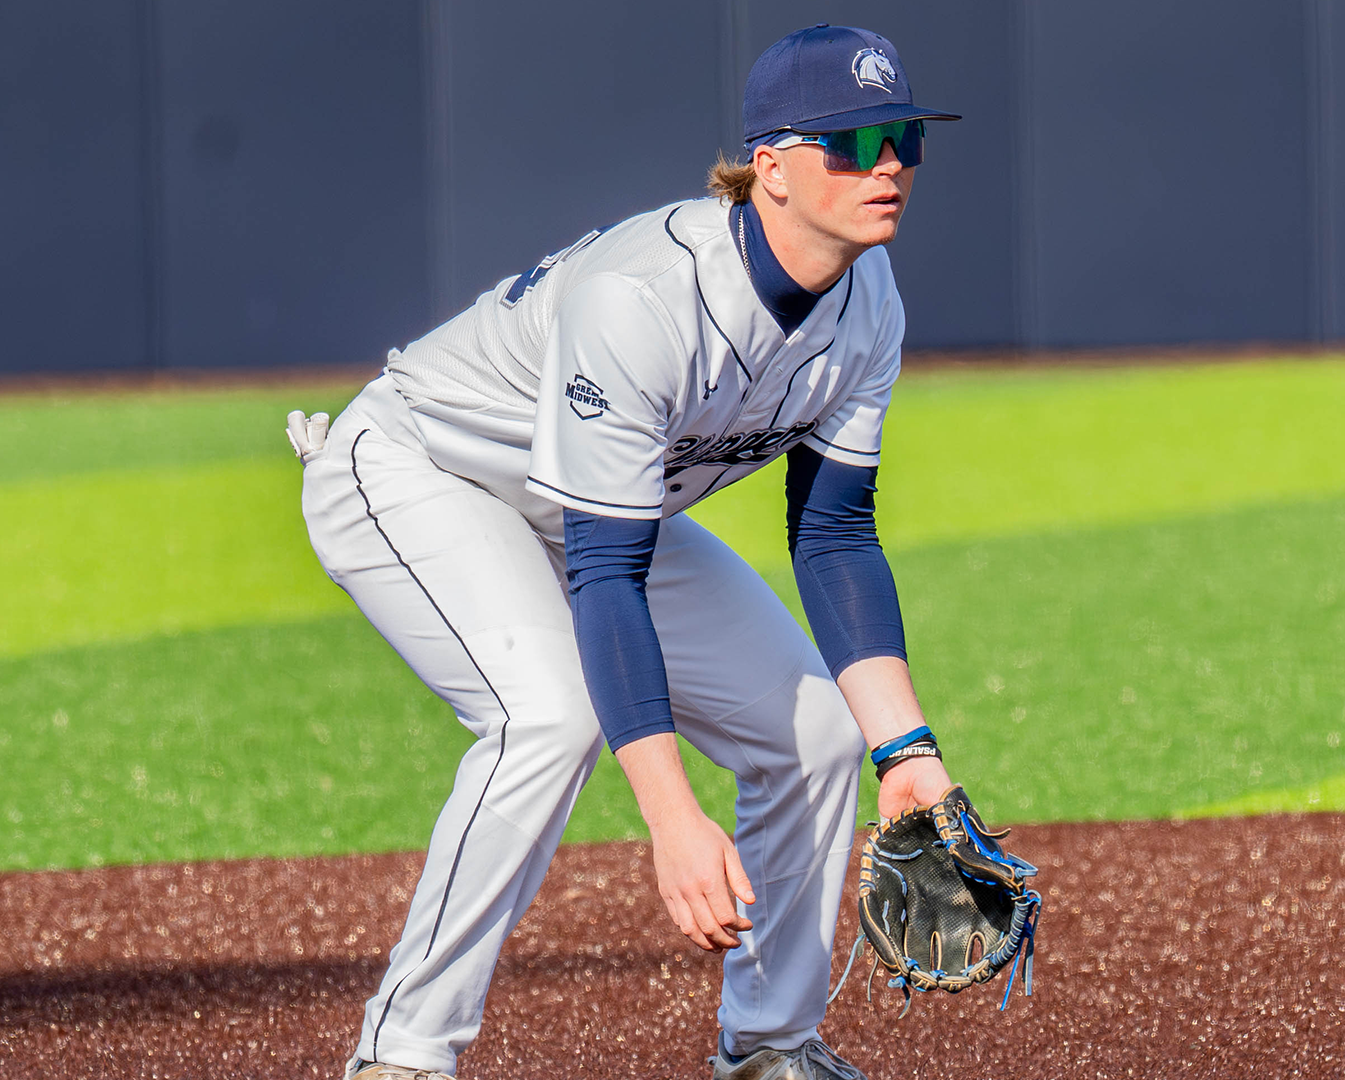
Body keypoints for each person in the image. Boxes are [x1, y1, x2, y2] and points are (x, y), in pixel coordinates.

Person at [290, 25, 962, 1080]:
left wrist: (908, 753)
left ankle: (772, 1046)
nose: (886, 165)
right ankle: (404, 1056)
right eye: (853, 142)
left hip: (587, 512)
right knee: (545, 718)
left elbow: (832, 533)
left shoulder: (867, 304)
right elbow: (609, 577)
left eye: (903, 139)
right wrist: (671, 817)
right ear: (772, 169)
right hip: (422, 472)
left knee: (821, 734)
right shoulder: (645, 299)